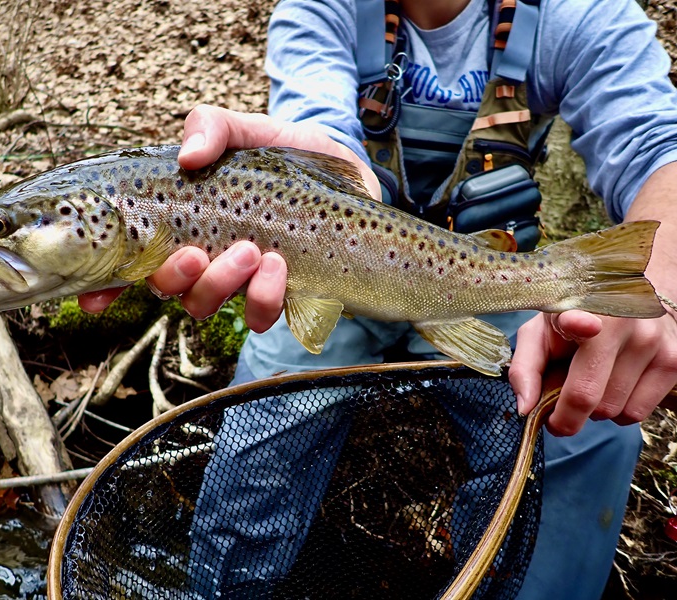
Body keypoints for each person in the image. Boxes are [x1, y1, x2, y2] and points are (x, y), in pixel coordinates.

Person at [80, 0, 677, 597]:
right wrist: (324, 170)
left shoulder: (580, 13)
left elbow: (659, 147)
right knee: (263, 433)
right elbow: (324, 131)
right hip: (329, 268)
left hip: (490, 279)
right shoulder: (322, 8)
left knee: (591, 425)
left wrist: (665, 281)